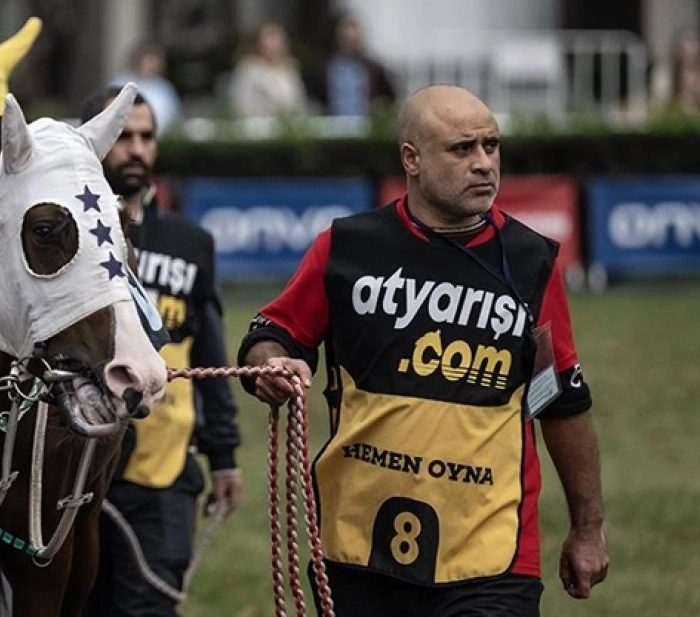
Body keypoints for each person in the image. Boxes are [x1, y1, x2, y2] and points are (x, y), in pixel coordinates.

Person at [239, 85, 609, 616]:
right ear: (411, 159)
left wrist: (588, 528)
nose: (484, 164)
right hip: (356, 546)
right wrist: (269, 365)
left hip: (492, 556)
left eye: (491, 146)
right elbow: (270, 332)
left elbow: (560, 400)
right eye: (462, 149)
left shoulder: (533, 263)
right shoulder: (346, 248)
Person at [82, 86, 241, 616]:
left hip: (164, 472)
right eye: (122, 137)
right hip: (76, 466)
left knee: (148, 607)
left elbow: (209, 356)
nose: (136, 149)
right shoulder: (64, 240)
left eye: (146, 137)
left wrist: (222, 456)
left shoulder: (190, 243)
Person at [305, 10, 396, 117]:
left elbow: (389, 98)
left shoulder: (373, 68)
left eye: (355, 28)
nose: (351, 34)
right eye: (346, 28)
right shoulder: (322, 67)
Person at [228, 22, 307, 119]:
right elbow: (239, 104)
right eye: (270, 38)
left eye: (278, 39)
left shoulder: (291, 70)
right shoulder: (248, 70)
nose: (275, 44)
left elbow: (299, 102)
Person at [111, 42, 183, 130]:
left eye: (154, 63)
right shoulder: (120, 83)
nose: (151, 66)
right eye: (148, 62)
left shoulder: (164, 87)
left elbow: (173, 116)